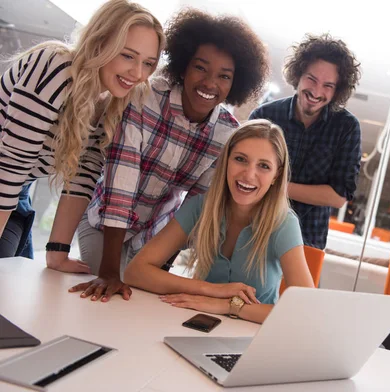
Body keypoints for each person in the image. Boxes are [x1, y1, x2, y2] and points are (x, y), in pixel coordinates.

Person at [68, 9, 270, 302]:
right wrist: (110, 272)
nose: (210, 83)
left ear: (235, 84)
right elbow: (120, 186)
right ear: (184, 66)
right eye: (201, 68)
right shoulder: (142, 98)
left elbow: (195, 208)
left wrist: (162, 263)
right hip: (104, 225)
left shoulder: (227, 134)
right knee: (111, 293)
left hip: (154, 235)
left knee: (141, 299)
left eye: (224, 76)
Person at [0, 0, 164, 263]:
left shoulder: (113, 102)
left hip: (16, 192)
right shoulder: (55, 65)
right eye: (128, 55)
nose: (138, 73)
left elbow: (83, 175)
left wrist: (57, 254)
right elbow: (11, 164)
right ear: (101, 42)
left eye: (148, 63)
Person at [124, 120, 314, 324]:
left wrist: (228, 305)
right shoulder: (200, 207)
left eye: (264, 166)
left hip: (254, 336)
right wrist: (212, 290)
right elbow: (135, 272)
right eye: (240, 159)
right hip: (196, 323)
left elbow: (306, 310)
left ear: (276, 176)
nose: (249, 175)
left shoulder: (283, 223)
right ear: (226, 162)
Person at [249, 33, 362, 250]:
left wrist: (273, 184)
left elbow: (338, 196)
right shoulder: (264, 116)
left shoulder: (346, 128)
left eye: (328, 85)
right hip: (254, 234)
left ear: (337, 90)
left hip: (307, 243)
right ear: (298, 75)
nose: (317, 92)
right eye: (311, 79)